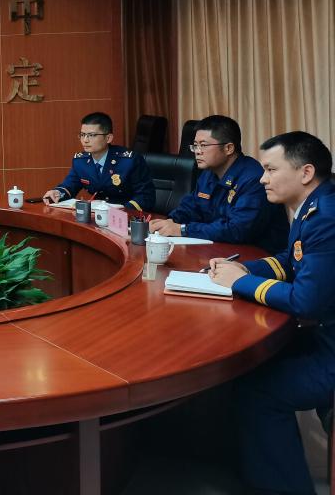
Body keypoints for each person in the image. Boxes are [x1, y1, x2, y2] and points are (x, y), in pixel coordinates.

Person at [208, 132, 335, 494]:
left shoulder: (326, 217)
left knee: (259, 391)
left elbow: (305, 301)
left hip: (329, 347)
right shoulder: (314, 205)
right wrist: (245, 269)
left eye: (270, 169)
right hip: (323, 333)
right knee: (247, 363)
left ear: (305, 172)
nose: (262, 178)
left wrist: (240, 283)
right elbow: (292, 260)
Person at [150, 115, 287, 250]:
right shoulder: (209, 173)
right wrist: (170, 222)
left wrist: (183, 229)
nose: (197, 152)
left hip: (257, 254)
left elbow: (238, 230)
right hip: (218, 247)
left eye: (203, 145)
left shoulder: (253, 179)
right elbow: (191, 207)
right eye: (195, 146)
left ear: (229, 148)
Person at [42, 111, 156, 211]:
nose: (85, 140)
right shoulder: (80, 161)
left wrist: (121, 212)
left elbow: (146, 196)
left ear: (108, 138)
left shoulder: (129, 161)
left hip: (125, 217)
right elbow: (69, 185)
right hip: (96, 216)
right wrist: (57, 192)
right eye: (82, 135)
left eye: (92, 135)